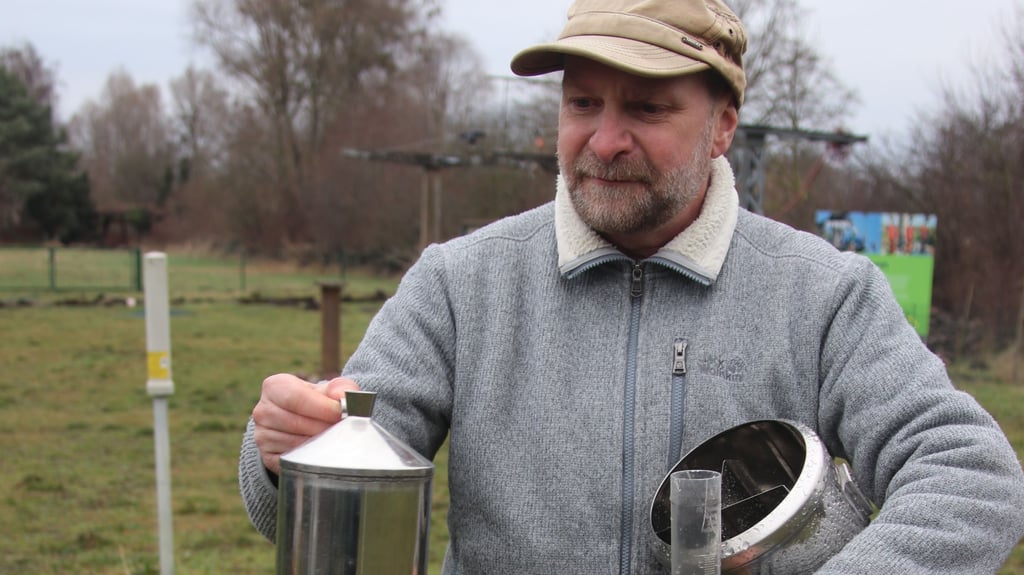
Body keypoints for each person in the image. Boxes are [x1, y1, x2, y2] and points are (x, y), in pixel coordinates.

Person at [239, 0, 1024, 572]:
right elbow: (316, 488)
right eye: (583, 103)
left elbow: (971, 475)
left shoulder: (825, 295)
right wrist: (286, 454)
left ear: (722, 124)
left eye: (647, 108)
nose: (604, 140)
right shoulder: (461, 283)